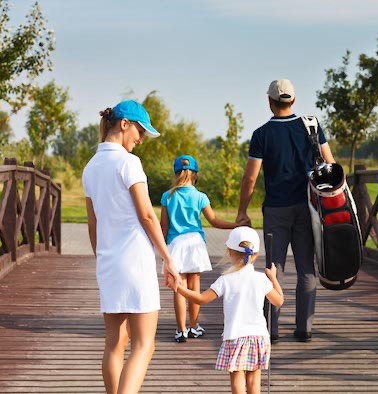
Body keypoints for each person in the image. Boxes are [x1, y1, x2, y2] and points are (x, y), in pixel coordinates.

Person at [82, 100, 180, 394]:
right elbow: (148, 216)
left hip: (108, 263)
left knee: (114, 343)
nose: (140, 139)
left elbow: (92, 224)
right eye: (139, 130)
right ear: (124, 124)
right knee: (143, 344)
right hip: (135, 261)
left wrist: (102, 258)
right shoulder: (128, 163)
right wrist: (168, 259)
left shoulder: (90, 167)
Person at [236, 79, 335, 343]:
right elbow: (331, 163)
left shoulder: (261, 135)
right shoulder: (311, 127)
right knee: (305, 268)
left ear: (269, 101)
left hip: (276, 209)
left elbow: (250, 179)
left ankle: (271, 329)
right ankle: (304, 329)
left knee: (274, 267)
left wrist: (242, 211)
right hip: (307, 207)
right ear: (293, 101)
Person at [175, 226, 284, 394]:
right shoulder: (261, 279)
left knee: (237, 380)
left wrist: (179, 288)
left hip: (235, 336)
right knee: (254, 382)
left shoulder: (225, 279)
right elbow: (279, 301)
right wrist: (273, 279)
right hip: (258, 336)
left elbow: (201, 299)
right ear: (255, 255)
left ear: (230, 252)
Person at [160, 154, 242, 343]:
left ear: (175, 174)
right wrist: (236, 225)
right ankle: (194, 326)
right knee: (194, 286)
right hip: (195, 244)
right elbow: (214, 221)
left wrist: (160, 247)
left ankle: (181, 330)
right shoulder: (200, 197)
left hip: (176, 244)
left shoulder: (167, 196)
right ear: (195, 175)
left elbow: (163, 227)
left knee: (178, 287)